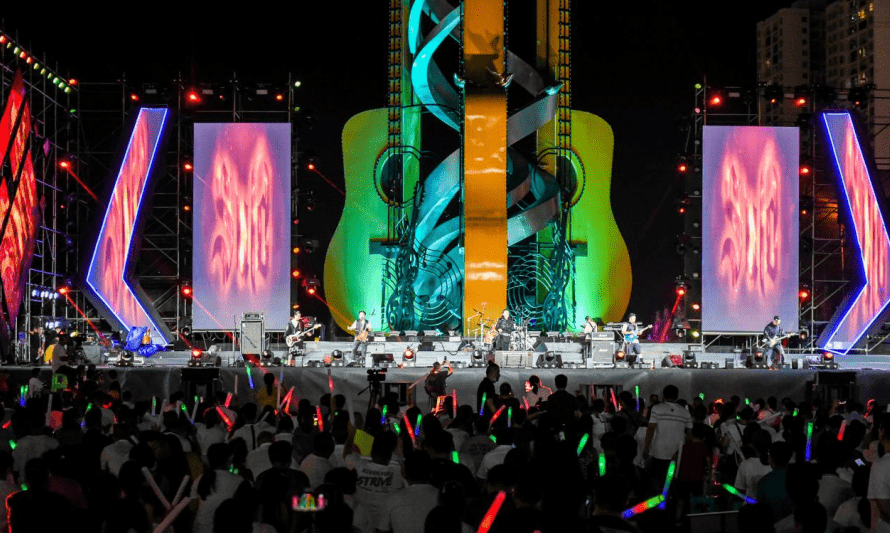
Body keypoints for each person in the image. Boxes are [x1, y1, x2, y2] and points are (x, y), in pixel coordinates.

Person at [642, 385, 693, 486]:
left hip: (659, 451)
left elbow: (651, 429)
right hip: (678, 453)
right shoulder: (685, 412)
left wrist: (646, 447)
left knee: (660, 481)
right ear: (677, 396)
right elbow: (689, 435)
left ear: (664, 395)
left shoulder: (657, 408)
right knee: (674, 482)